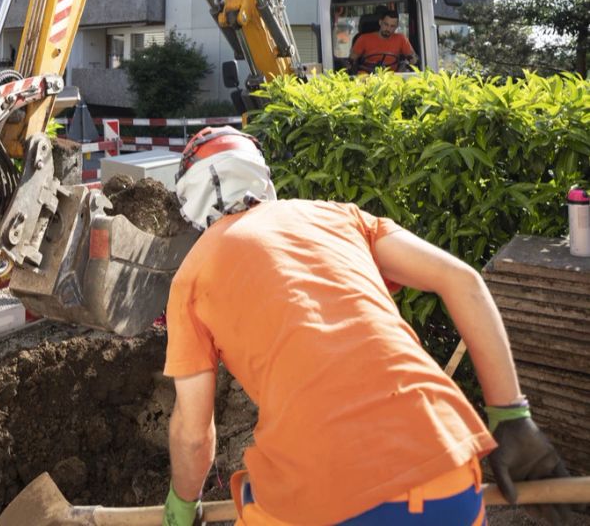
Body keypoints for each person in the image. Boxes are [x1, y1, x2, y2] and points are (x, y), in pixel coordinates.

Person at [161, 126, 573, 526]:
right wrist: (512, 417)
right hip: (442, 468)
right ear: (264, 178)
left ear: (189, 206)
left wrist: (183, 503)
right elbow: (462, 280)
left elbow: (194, 435)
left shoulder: (193, 276)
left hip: (316, 493)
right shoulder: (337, 217)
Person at [348, 8, 418, 73]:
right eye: (386, 24)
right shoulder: (363, 38)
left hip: (393, 76)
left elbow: (413, 59)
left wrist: (412, 62)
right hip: (367, 74)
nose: (388, 29)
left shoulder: (401, 39)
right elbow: (351, 61)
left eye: (392, 26)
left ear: (396, 27)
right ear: (380, 22)